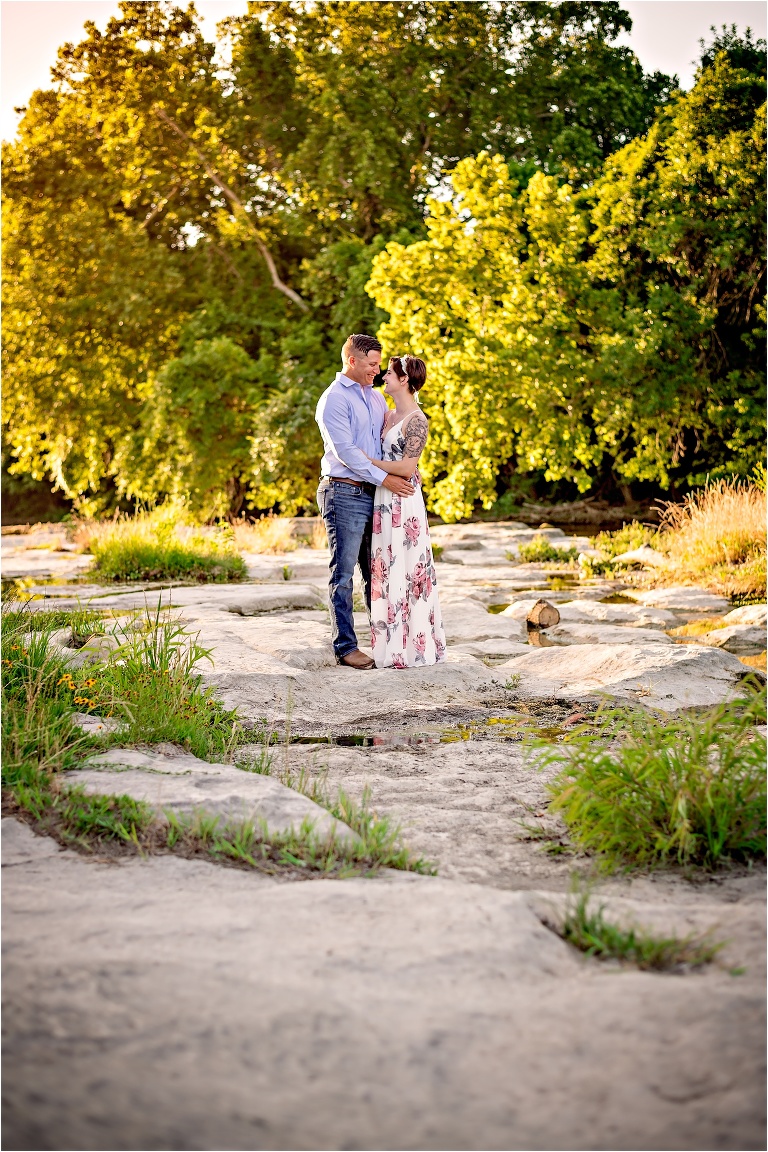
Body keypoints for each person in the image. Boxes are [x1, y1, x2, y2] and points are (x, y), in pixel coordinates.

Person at [315, 334, 415, 669]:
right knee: (342, 572)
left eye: (379, 365)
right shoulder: (333, 400)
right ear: (352, 360)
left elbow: (389, 442)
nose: (376, 370)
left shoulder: (374, 399)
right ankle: (345, 647)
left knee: (376, 572)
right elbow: (347, 453)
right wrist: (386, 479)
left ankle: (385, 642)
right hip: (342, 492)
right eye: (372, 364)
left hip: (373, 494)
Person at [364, 355, 447, 668]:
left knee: (408, 569)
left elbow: (406, 466)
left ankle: (414, 649)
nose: (383, 376)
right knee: (386, 568)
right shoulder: (388, 414)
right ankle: (391, 647)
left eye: (389, 373)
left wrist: (367, 462)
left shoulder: (417, 420)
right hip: (383, 498)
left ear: (403, 380)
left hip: (404, 501)